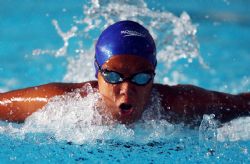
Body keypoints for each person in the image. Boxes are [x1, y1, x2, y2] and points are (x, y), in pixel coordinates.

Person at [0, 20, 249, 126]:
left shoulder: (178, 104)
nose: (126, 89)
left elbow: (243, 103)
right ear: (97, 73)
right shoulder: (63, 103)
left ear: (154, 75)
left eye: (141, 77)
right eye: (113, 76)